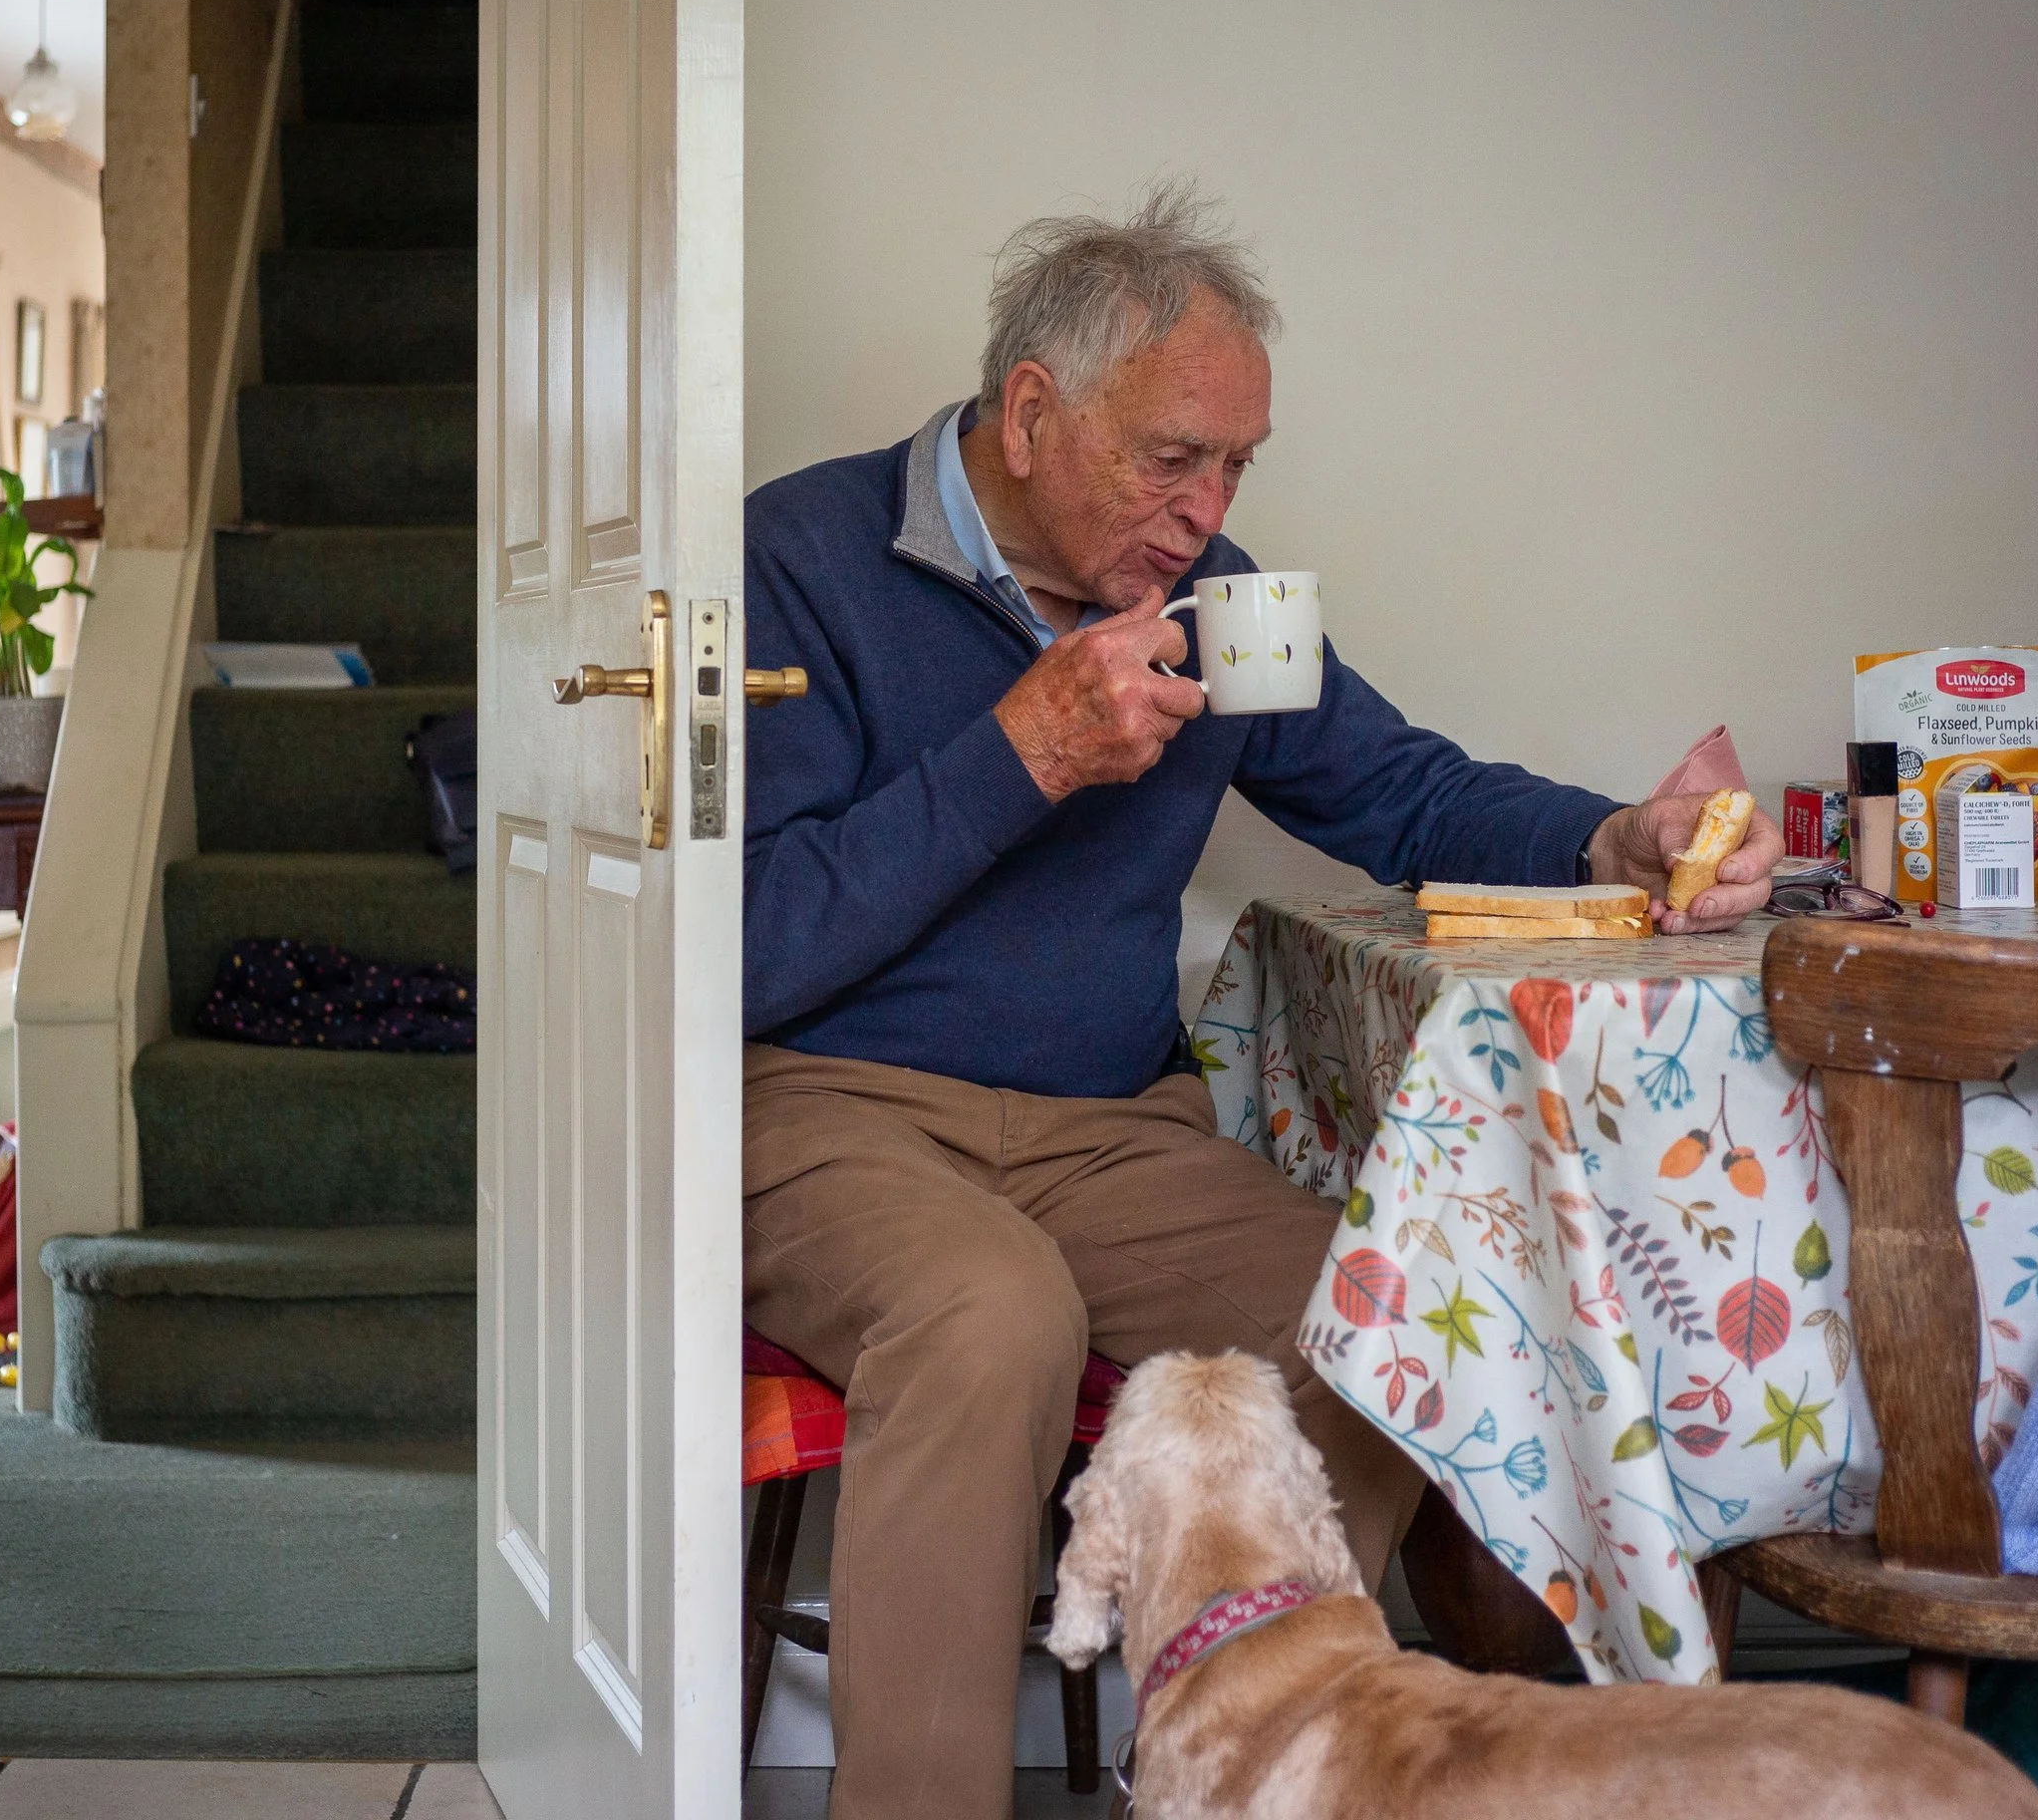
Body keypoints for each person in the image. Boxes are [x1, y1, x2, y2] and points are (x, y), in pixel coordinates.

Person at [740, 183, 1782, 1820]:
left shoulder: (1218, 600)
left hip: (1105, 1131)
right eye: (1175, 459)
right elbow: (750, 936)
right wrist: (1023, 756)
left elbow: (1410, 796)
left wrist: (1615, 836)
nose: (1208, 510)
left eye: (1238, 468)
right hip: (825, 1106)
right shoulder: (796, 556)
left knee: (1373, 1323)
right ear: (1030, 414)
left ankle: (1250, 1777)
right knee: (987, 1312)